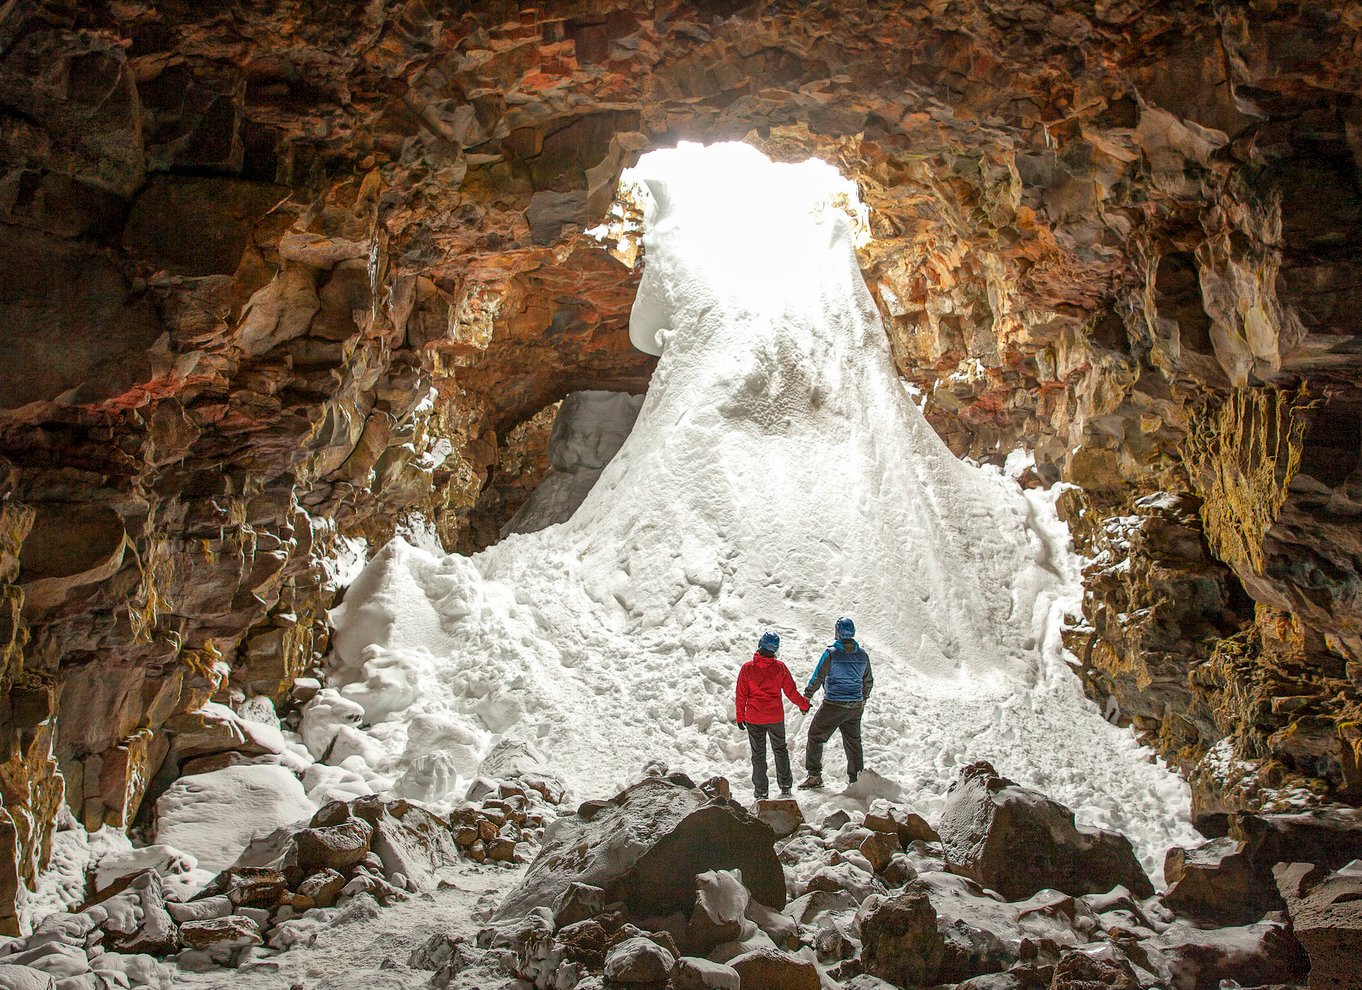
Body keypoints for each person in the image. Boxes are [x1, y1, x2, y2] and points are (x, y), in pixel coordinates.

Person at [800, 616, 873, 789]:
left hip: (833, 704)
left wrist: (807, 695)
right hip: (855, 706)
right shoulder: (862, 655)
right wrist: (863, 698)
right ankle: (856, 780)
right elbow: (868, 680)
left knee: (816, 736)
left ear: (837, 632)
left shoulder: (831, 653)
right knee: (853, 742)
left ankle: (814, 776)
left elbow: (818, 676)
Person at [736, 631, 810, 800]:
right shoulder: (780, 668)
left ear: (760, 644)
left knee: (758, 754)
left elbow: (741, 695)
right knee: (780, 750)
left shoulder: (747, 668)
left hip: (754, 718)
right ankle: (785, 784)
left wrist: (740, 716)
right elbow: (791, 691)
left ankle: (761, 791)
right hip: (775, 717)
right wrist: (804, 704)